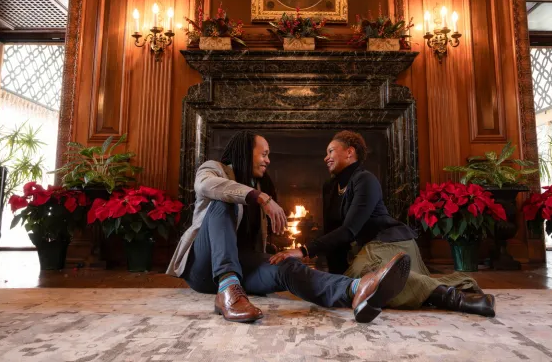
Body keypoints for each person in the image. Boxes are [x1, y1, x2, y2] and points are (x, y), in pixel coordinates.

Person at [167, 130, 412, 324]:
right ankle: (227, 289)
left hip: (243, 268)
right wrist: (260, 198)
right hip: (202, 268)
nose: (268, 160)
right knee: (225, 201)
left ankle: (357, 289)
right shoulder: (214, 168)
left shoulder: (261, 186)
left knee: (285, 265)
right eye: (263, 154)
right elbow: (206, 186)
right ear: (245, 151)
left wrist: (276, 252)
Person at [269, 130, 496, 317]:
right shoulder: (330, 188)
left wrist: (303, 250)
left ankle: (459, 298)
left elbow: (349, 230)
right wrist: (339, 275)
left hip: (391, 244)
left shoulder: (365, 180)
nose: (325, 157)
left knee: (368, 278)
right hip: (368, 249)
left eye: (331, 151)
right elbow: (334, 233)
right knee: (355, 282)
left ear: (350, 153)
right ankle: (447, 292)